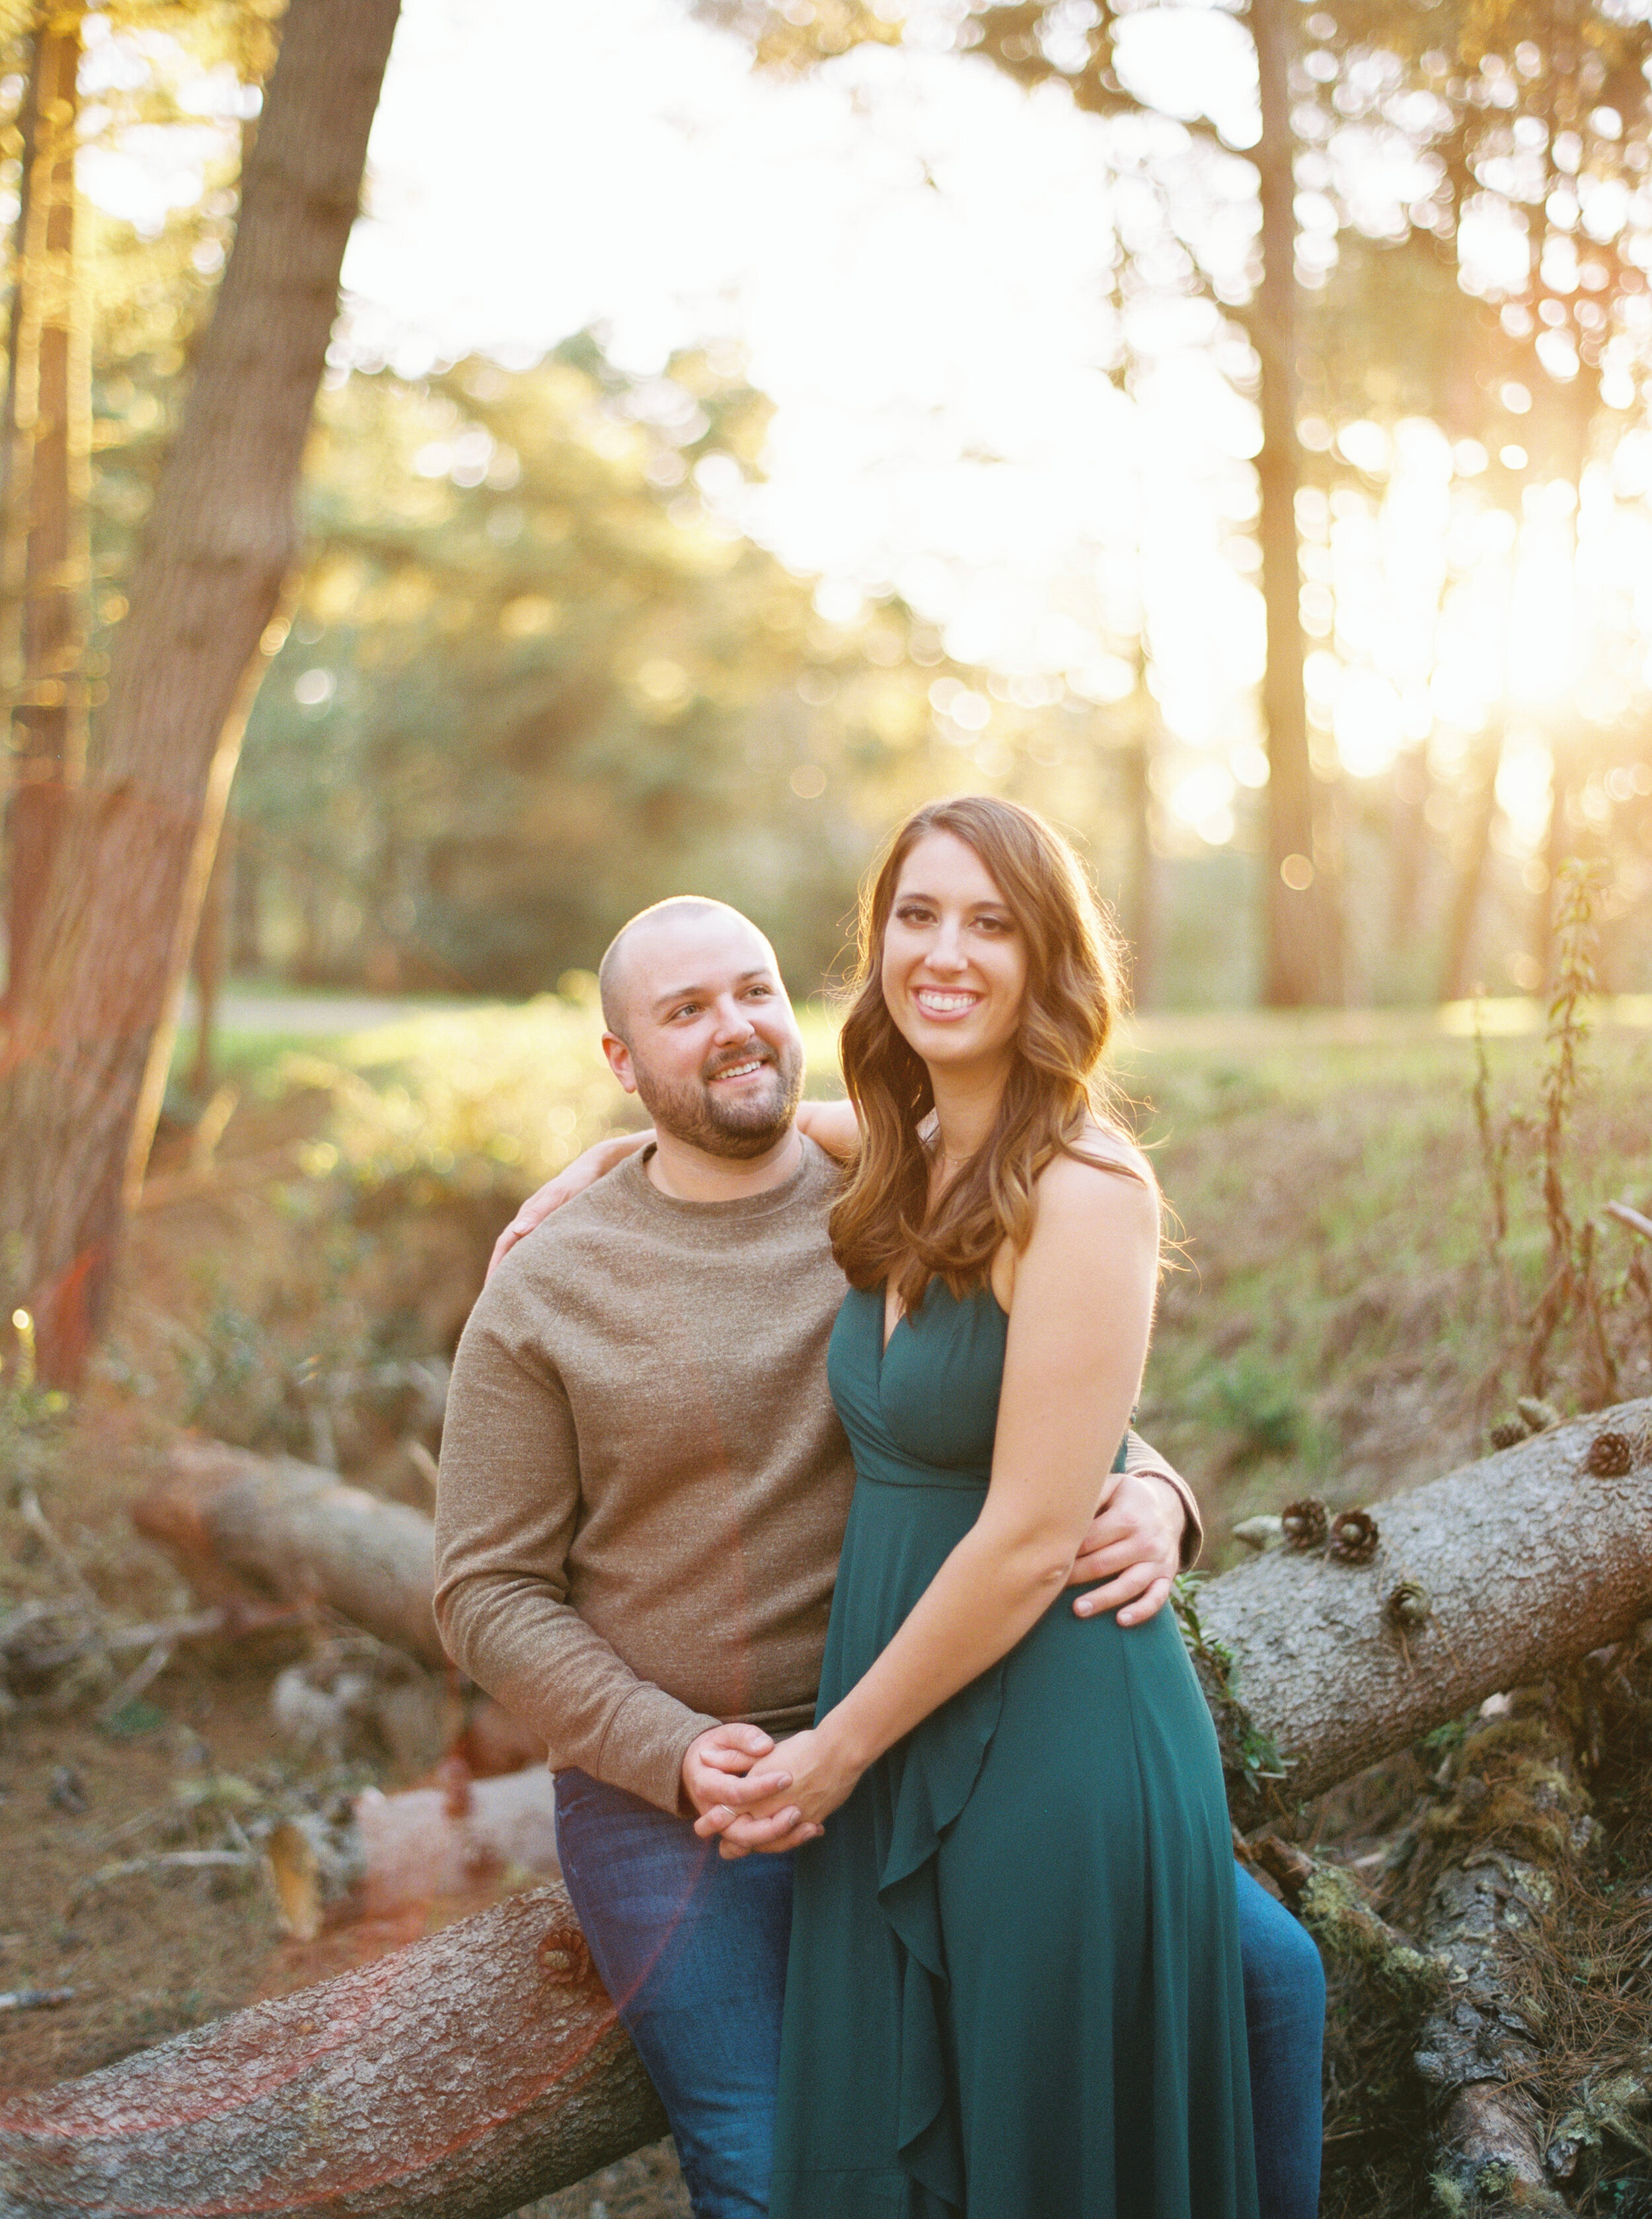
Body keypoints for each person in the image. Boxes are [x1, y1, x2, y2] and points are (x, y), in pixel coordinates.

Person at [434, 881, 1324, 2219]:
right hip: (696, 1786)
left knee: (1262, 1985)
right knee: (785, 2169)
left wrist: (1153, 1488)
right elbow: (484, 1591)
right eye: (683, 1012)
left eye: (749, 992)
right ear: (620, 1062)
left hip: (937, 1716)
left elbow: (1020, 1401)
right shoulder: (546, 1284)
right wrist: (661, 1744)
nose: (733, 1028)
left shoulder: (892, 1181)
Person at [690, 795, 1253, 2214]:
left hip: (1042, 1733)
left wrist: (833, 1754)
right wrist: (611, 1153)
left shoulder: (1087, 1187)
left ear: (1047, 958)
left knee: (1038, 2145)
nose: (945, 951)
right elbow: (788, 1118)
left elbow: (1020, 1534)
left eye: (990, 921)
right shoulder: (908, 1146)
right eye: (917, 914)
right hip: (897, 1694)